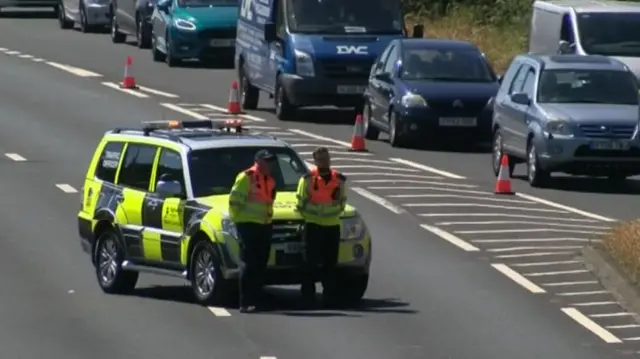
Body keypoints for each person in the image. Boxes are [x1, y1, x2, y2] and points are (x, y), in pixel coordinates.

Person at [296, 147, 347, 307]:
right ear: (315, 161)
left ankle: (330, 296)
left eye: (327, 158)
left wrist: (328, 213)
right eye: (321, 159)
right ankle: (308, 297)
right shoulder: (307, 179)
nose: (325, 161)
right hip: (313, 226)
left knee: (330, 264)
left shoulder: (339, 179)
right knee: (309, 264)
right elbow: (300, 202)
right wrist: (314, 214)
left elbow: (342, 202)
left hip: (332, 226)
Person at [229, 150, 277, 313]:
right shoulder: (246, 177)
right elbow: (234, 201)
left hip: (264, 225)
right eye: (267, 161)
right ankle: (245, 301)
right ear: (258, 162)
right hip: (247, 225)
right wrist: (238, 222)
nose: (270, 164)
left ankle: (257, 299)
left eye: (271, 161)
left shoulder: (270, 180)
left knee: (260, 264)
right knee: (248, 264)